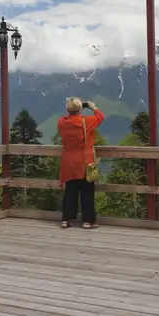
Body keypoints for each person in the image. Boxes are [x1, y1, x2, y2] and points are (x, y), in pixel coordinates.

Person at [57, 97, 104, 229]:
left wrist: (76, 109)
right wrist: (92, 107)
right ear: (80, 109)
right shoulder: (86, 122)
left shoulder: (61, 122)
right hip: (84, 161)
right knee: (87, 191)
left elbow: (69, 118)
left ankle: (66, 219)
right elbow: (100, 116)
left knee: (70, 191)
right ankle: (88, 221)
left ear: (68, 109)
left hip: (68, 161)